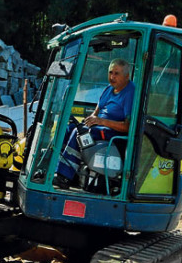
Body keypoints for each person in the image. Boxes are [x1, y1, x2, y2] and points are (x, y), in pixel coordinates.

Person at [54, 58, 135, 188]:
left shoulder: (130, 93)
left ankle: (64, 177)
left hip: (113, 133)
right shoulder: (109, 89)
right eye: (110, 72)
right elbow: (96, 112)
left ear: (126, 76)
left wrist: (101, 121)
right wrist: (88, 121)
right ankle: (61, 170)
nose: (112, 77)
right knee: (68, 128)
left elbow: (127, 127)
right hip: (100, 127)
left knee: (79, 133)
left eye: (116, 73)